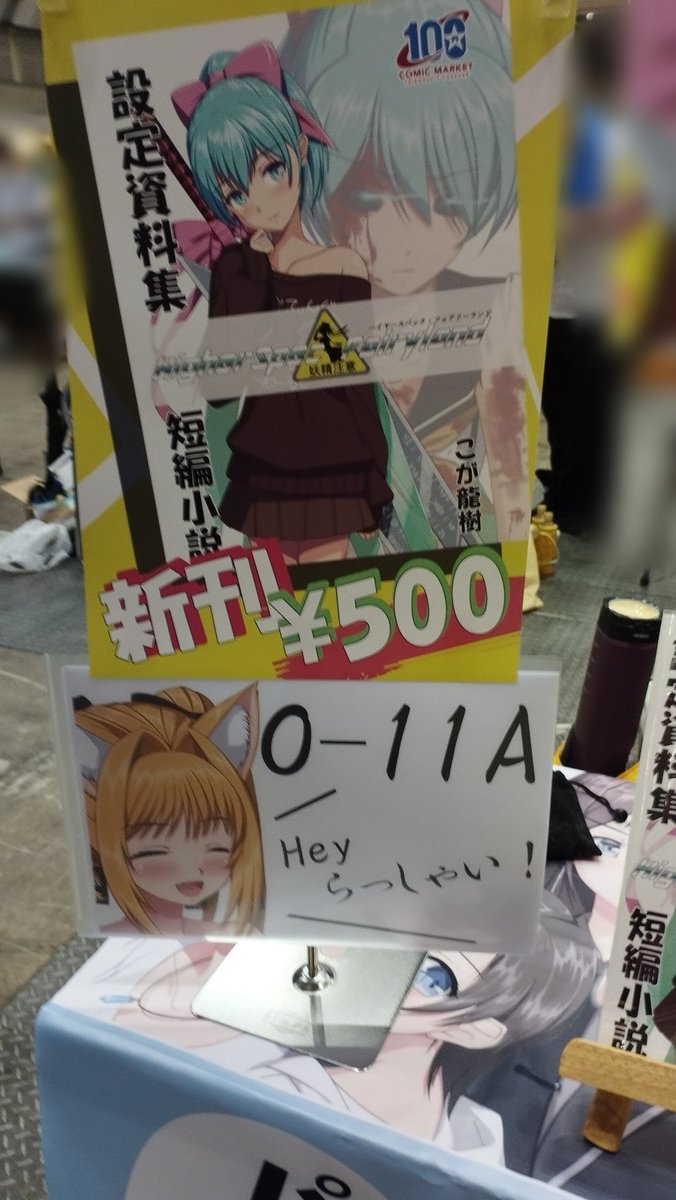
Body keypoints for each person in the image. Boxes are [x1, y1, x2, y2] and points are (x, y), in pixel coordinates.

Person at [281, 0, 528, 544]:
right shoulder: (304, 314)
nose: (406, 238)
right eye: (367, 197)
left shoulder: (495, 310)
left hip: (458, 569)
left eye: (450, 199)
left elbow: (508, 493)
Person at [174, 42, 393, 564]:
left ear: (299, 147)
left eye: (271, 169)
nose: (258, 202)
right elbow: (221, 387)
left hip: (334, 470)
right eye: (234, 193)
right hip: (265, 467)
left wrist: (374, 481)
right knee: (276, 604)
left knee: (327, 602)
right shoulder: (236, 270)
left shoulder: (343, 267)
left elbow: (355, 387)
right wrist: (247, 278)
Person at [74, 683, 265, 936]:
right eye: (153, 851)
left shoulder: (240, 934)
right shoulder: (113, 939)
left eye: (216, 848)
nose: (192, 869)